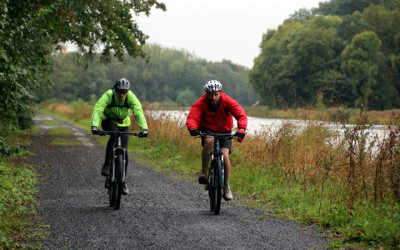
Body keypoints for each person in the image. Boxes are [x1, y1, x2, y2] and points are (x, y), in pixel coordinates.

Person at [186, 80, 247, 200]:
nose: (213, 97)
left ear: (220, 93)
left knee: (225, 155)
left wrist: (242, 129)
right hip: (208, 130)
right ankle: (204, 173)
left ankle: (226, 186)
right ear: (206, 94)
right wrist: (192, 128)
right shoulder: (201, 102)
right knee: (208, 141)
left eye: (216, 94)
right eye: (210, 94)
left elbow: (241, 114)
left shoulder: (227, 101)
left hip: (224, 131)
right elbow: (193, 117)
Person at [91, 78, 148, 195]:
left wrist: (144, 129)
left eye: (124, 92)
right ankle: (107, 165)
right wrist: (94, 126)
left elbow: (138, 111)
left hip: (124, 123)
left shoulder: (130, 96)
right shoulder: (108, 95)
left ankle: (123, 182)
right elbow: (98, 108)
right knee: (114, 135)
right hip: (108, 121)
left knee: (124, 152)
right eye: (120, 92)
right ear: (115, 90)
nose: (122, 94)